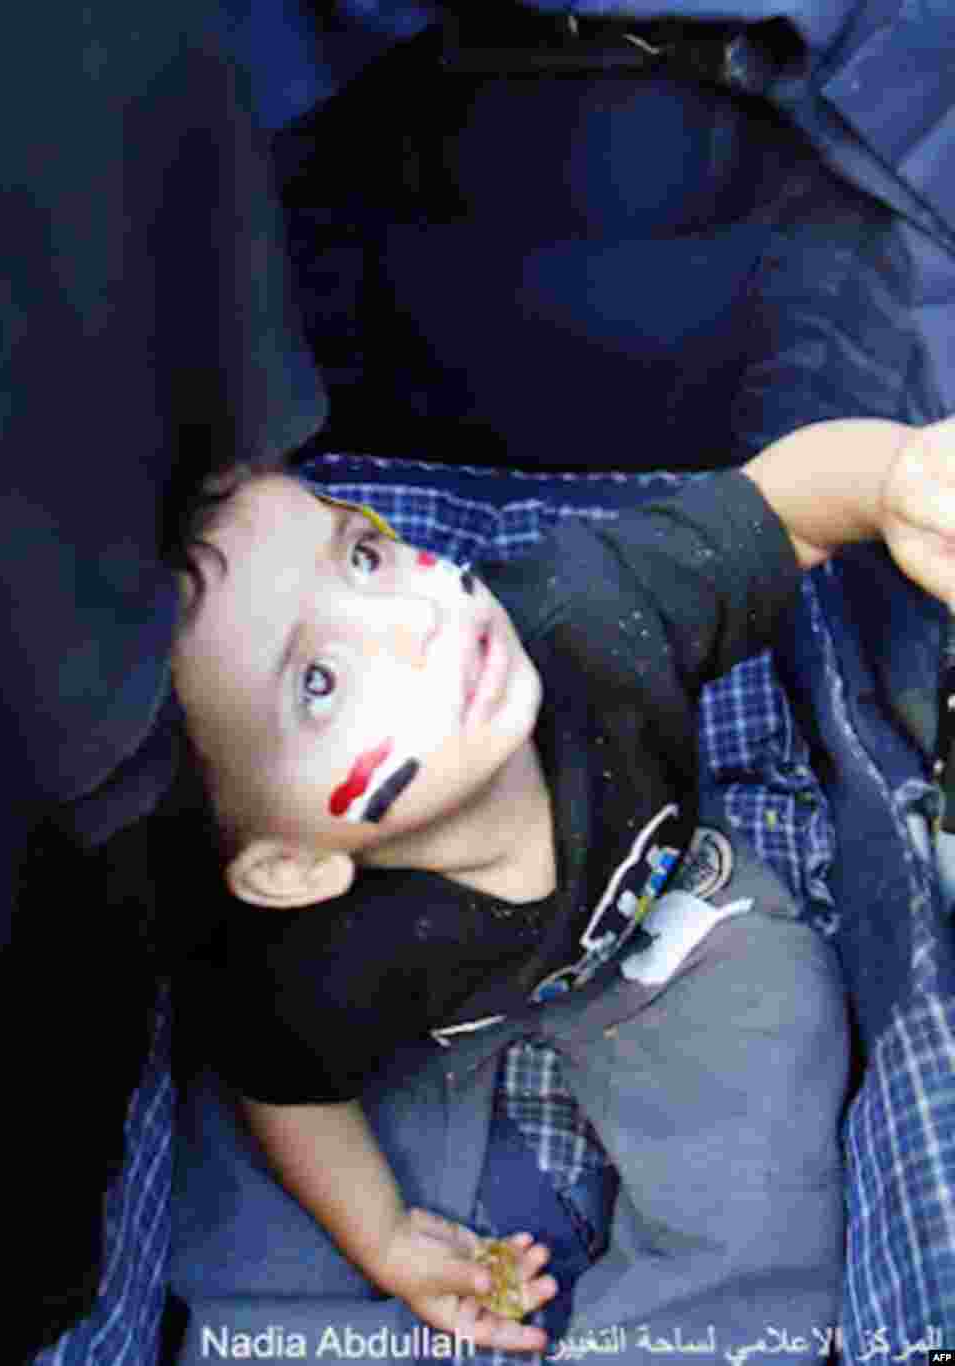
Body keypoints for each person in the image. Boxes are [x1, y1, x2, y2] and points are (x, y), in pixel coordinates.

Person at [163, 413, 955, 1361]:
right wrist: (380, 1236)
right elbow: (280, 1086)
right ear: (291, 864)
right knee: (253, 1208)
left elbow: (783, 512)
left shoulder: (592, 618)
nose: (415, 619)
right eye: (320, 683)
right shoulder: (310, 961)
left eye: (364, 557)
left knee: (778, 1021)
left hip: (654, 924)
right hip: (437, 1017)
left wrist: (896, 476)